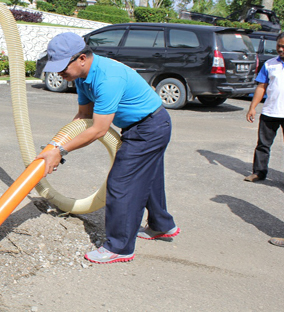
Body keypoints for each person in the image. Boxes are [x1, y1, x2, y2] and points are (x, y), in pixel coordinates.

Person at [36, 32, 179, 264]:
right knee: (148, 177)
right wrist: (55, 145)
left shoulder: (107, 78)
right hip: (143, 126)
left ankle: (120, 247)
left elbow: (99, 129)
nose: (59, 73)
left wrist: (61, 152)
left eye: (63, 66)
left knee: (122, 184)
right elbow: (84, 116)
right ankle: (162, 225)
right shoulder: (83, 77)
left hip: (149, 128)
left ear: (81, 58)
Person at [245, 32, 284, 186]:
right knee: (263, 145)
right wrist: (252, 107)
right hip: (270, 111)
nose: (281, 49)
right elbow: (261, 87)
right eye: (279, 46)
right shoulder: (269, 64)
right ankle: (258, 172)